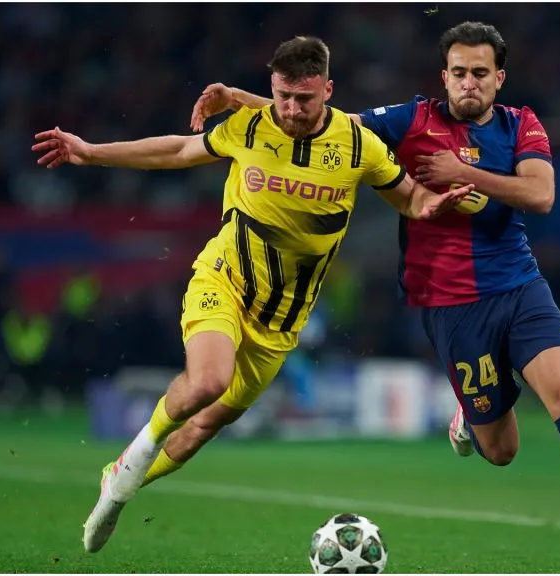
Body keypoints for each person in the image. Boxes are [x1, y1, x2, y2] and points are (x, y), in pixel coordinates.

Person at [189, 21, 560, 574]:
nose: (469, 83)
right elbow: (325, 121)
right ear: (445, 76)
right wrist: (241, 97)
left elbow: (542, 193)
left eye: (480, 73)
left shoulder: (520, 124)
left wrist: (466, 172)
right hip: (451, 304)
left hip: (518, 284)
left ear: (498, 78)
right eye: (459, 72)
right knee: (502, 450)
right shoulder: (411, 120)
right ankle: (470, 416)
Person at [32, 36, 473, 553]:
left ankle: (117, 477)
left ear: (327, 91)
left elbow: (409, 197)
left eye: (304, 99)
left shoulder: (359, 146)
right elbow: (178, 148)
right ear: (272, 88)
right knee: (208, 380)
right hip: (224, 278)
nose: (290, 109)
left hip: (282, 321)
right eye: (282, 95)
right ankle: (130, 469)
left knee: (201, 429)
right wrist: (90, 152)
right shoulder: (248, 126)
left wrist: (430, 205)